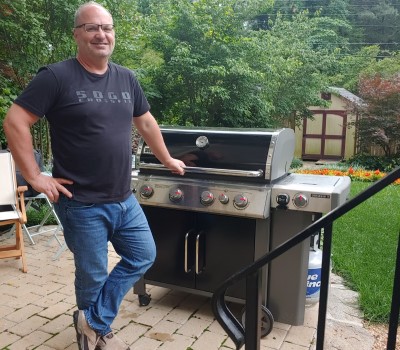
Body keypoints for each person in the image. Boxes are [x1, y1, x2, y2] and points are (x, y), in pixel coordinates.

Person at [3, 2, 185, 350]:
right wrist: (34, 175)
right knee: (92, 275)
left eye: (107, 27)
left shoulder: (126, 77)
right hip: (81, 201)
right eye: (91, 27)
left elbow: (145, 122)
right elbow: (15, 122)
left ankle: (93, 321)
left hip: (123, 197)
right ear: (77, 35)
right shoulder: (56, 77)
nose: (101, 34)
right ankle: (94, 333)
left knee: (143, 255)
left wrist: (167, 159)